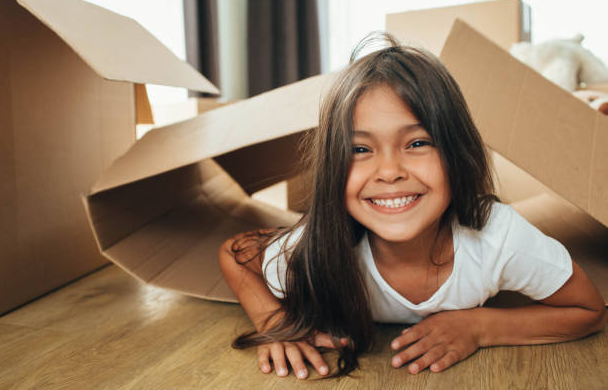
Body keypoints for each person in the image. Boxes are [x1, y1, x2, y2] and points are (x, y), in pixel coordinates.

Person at [218, 34, 606, 379]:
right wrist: (275, 322)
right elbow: (236, 254)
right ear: (333, 168)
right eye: (359, 149)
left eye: (417, 143)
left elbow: (589, 311)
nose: (389, 172)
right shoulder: (319, 245)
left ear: (458, 154)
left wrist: (480, 327)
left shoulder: (498, 236)